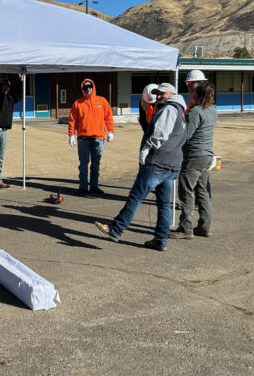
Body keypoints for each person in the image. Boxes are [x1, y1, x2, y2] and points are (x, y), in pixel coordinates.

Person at [95, 82, 186, 251]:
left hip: (158, 162)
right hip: (172, 165)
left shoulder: (169, 109)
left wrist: (146, 148)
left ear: (171, 94)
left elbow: (160, 135)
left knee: (136, 195)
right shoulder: (180, 111)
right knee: (164, 204)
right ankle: (160, 240)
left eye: (162, 93)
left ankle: (116, 229)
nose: (158, 95)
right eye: (157, 92)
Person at [169, 81, 217, 239]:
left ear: (198, 94)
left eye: (195, 91)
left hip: (194, 155)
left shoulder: (195, 111)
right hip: (207, 155)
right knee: (202, 190)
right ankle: (205, 226)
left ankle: (185, 228)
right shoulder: (212, 110)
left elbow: (186, 135)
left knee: (186, 190)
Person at [68, 78, 114, 195]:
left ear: (93, 88)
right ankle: (83, 186)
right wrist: (71, 135)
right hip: (83, 139)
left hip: (98, 138)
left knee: (96, 164)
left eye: (89, 87)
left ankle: (94, 186)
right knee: (83, 164)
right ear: (82, 89)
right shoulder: (78, 103)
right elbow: (72, 121)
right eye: (85, 88)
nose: (88, 89)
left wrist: (110, 131)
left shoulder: (102, 101)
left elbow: (108, 117)